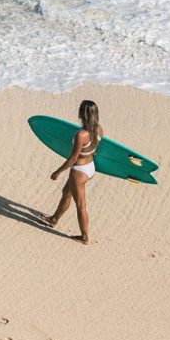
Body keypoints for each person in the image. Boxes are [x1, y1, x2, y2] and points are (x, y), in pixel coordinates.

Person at [41, 100, 102, 245]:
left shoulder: (80, 135)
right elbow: (94, 148)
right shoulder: (99, 129)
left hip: (79, 171)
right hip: (90, 167)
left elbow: (73, 158)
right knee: (66, 192)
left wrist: (58, 172)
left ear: (82, 114)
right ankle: (54, 219)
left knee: (81, 206)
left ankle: (85, 237)